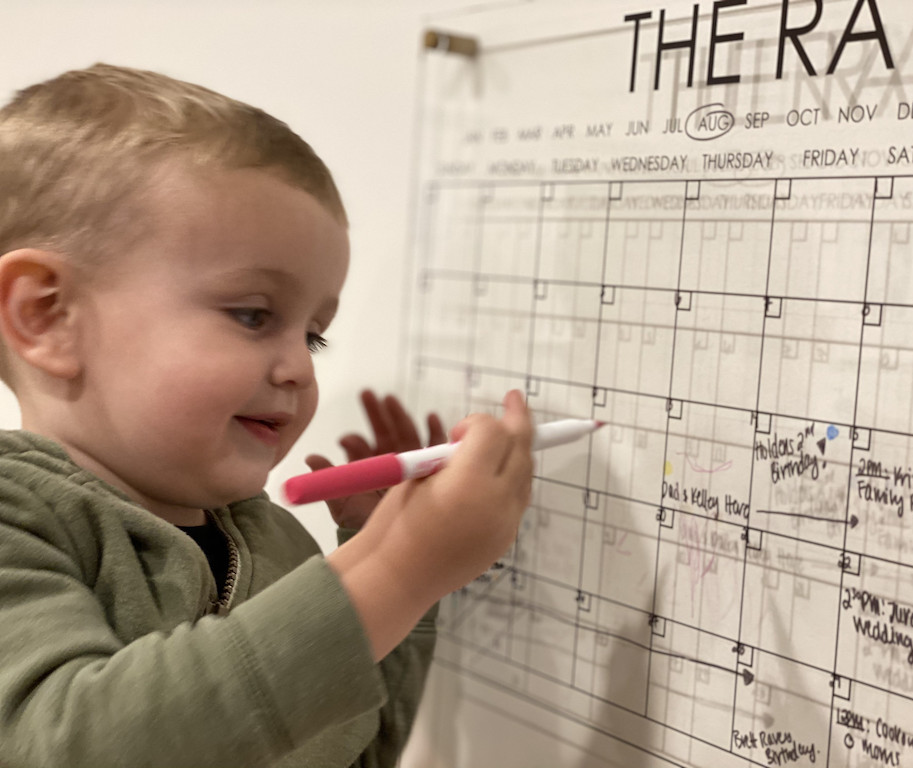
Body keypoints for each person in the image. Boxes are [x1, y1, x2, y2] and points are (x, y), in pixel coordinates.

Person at [0, 63, 534, 767]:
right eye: (252, 315)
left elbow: (355, 751)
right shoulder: (17, 519)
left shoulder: (276, 540)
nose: (300, 368)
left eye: (312, 333)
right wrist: (399, 570)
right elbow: (76, 745)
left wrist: (383, 549)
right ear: (48, 317)